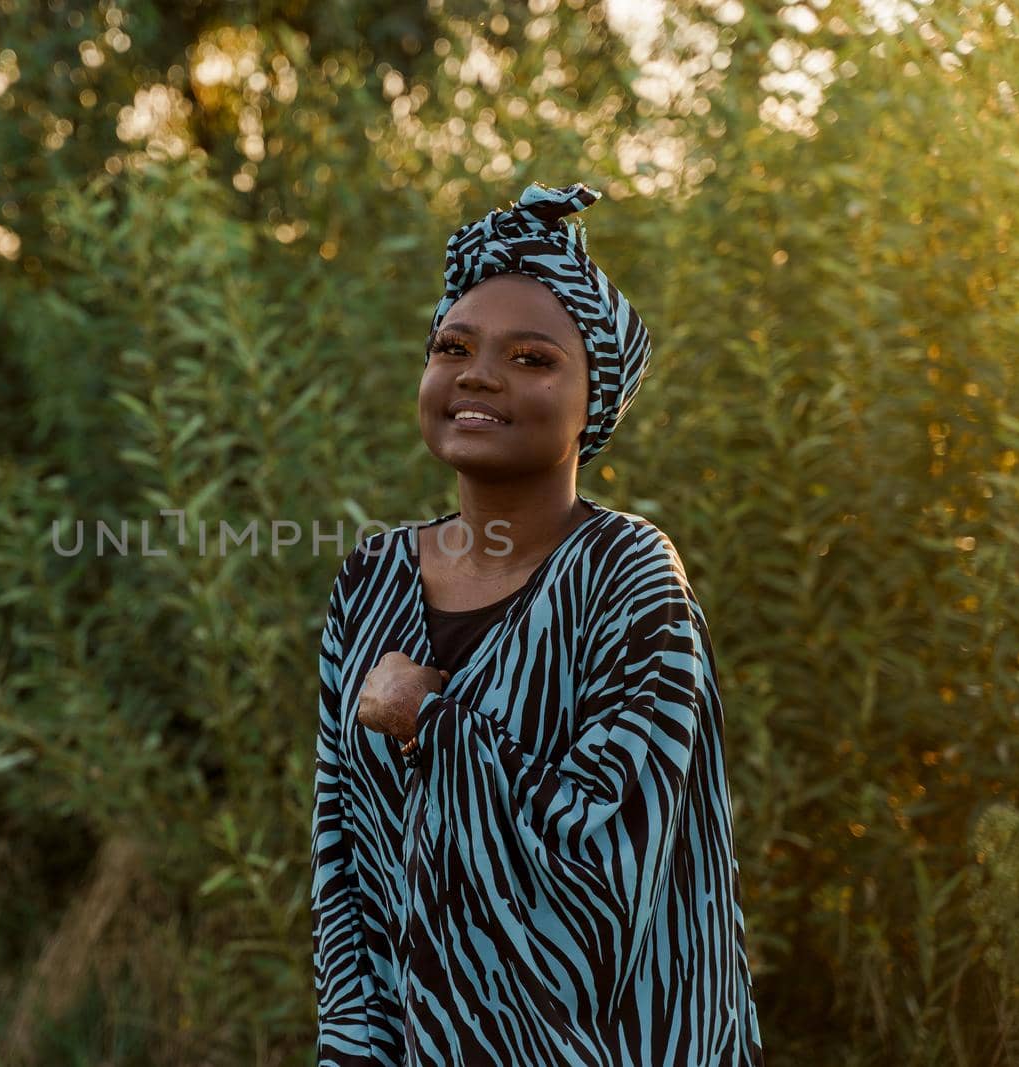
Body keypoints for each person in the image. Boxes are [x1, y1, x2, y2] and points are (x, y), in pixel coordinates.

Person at [309, 182, 765, 1066]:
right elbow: (343, 869)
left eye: (532, 358)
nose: (478, 373)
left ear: (595, 398)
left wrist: (425, 721)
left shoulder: (627, 580)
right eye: (453, 346)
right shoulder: (370, 580)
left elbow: (607, 863)